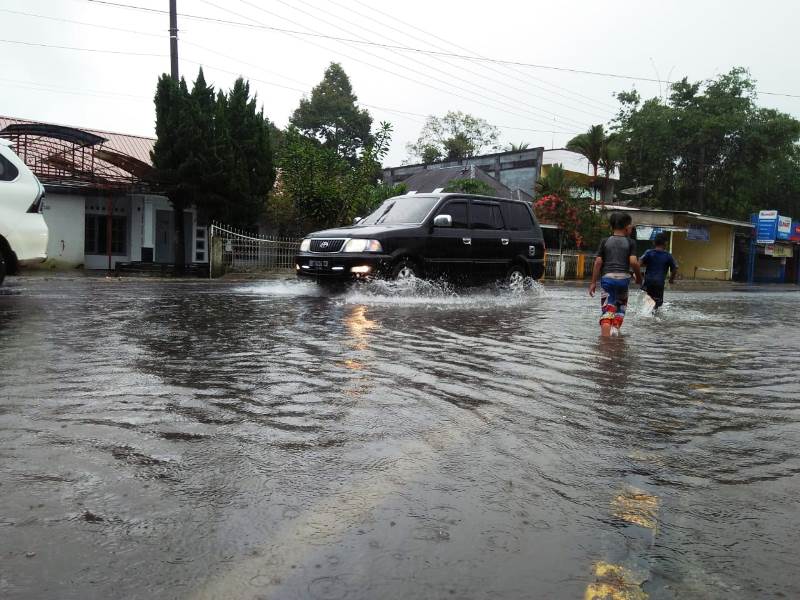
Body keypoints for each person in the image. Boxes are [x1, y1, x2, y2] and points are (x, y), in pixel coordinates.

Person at [589, 212, 642, 336]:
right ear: (626, 228)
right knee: (620, 310)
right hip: (623, 281)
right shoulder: (631, 243)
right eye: (631, 225)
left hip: (608, 280)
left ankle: (605, 343)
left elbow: (598, 262)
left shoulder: (605, 241)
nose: (631, 228)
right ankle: (615, 339)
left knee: (608, 310)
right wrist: (639, 277)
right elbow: (633, 262)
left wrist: (593, 283)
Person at [639, 232, 678, 310]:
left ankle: (646, 316)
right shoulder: (668, 255)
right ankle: (654, 318)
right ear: (666, 243)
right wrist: (671, 279)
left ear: (654, 242)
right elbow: (675, 268)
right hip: (659, 284)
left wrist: (638, 276)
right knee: (656, 305)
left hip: (648, 282)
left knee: (646, 302)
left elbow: (639, 262)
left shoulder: (649, 252)